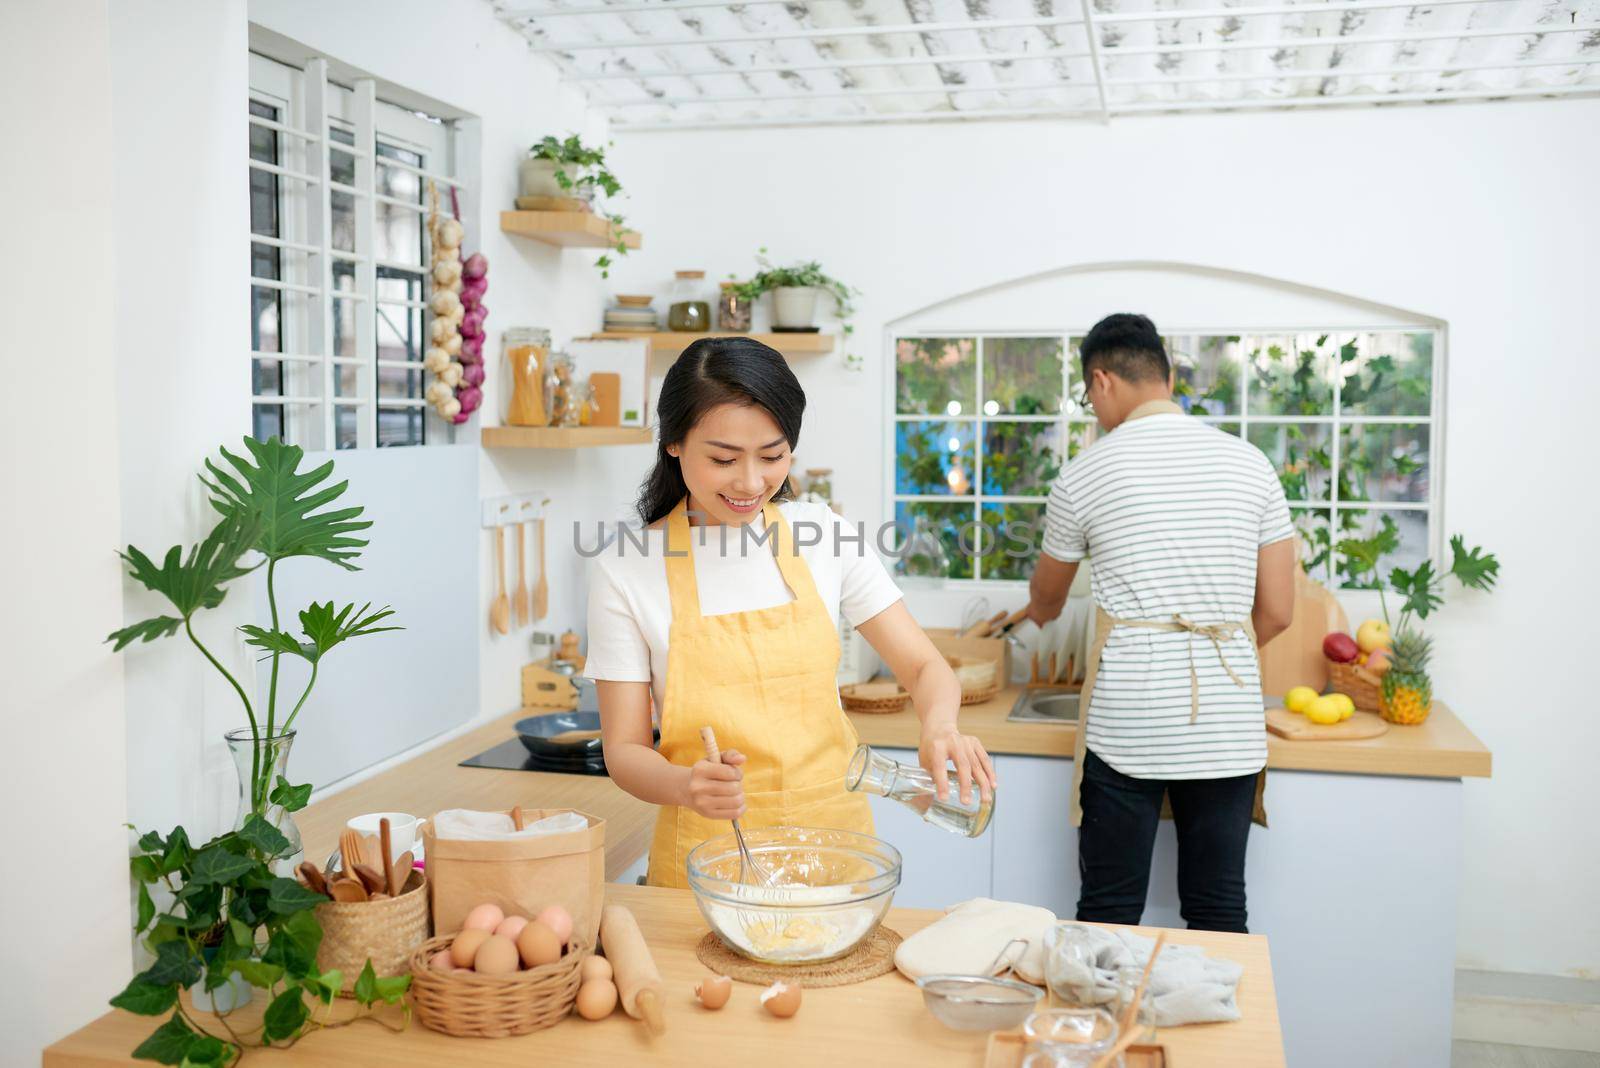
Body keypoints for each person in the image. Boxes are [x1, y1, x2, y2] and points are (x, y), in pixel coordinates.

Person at [586, 337, 995, 888]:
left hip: (836, 855)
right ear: (674, 444)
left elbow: (924, 668)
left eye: (773, 456)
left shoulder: (823, 535)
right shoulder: (627, 568)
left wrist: (940, 725)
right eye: (724, 459)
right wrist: (685, 786)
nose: (751, 482)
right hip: (707, 864)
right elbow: (626, 750)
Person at [1024, 313, 1296, 933]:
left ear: (1101, 381)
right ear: (1168, 377)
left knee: (1110, 910)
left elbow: (1047, 599)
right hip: (1227, 720)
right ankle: (1221, 1033)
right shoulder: (1251, 464)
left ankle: (1097, 1030)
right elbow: (1278, 611)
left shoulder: (1084, 473)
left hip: (1128, 717)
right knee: (1219, 907)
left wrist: (1034, 614)